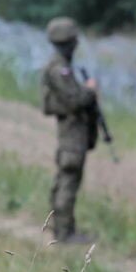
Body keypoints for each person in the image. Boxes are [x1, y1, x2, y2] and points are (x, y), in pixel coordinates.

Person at [41, 17, 99, 244]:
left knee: (65, 179)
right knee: (68, 179)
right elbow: (75, 100)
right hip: (72, 133)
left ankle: (60, 228)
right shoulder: (60, 69)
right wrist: (90, 91)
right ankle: (64, 234)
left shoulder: (58, 66)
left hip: (71, 131)